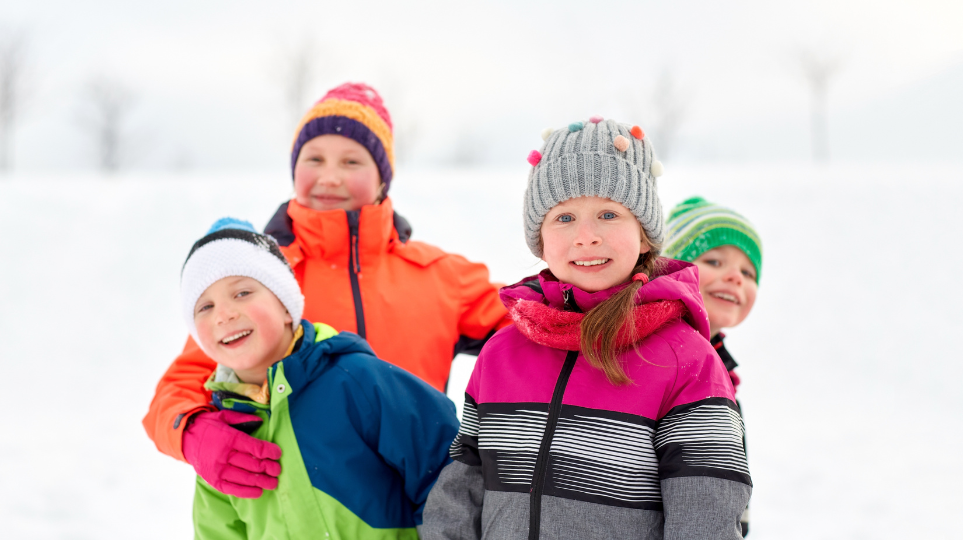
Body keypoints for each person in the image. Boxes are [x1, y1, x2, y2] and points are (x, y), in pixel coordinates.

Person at [143, 82, 509, 499]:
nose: (330, 177)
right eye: (314, 158)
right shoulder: (259, 282)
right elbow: (179, 387)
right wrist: (193, 432)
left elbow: (535, 321)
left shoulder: (441, 276)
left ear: (383, 179)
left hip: (416, 508)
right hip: (300, 509)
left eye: (352, 161)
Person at [421, 118, 751, 539]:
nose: (586, 236)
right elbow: (460, 493)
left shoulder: (686, 360)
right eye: (564, 217)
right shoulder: (503, 351)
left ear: (646, 236)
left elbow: (705, 516)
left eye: (609, 214)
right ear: (539, 237)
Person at [181, 217, 459, 539]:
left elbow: (447, 472)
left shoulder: (357, 381)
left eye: (242, 292)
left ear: (286, 307)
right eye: (204, 307)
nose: (223, 314)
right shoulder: (220, 438)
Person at [662, 196, 763, 537]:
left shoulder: (721, 373)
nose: (735, 277)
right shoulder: (658, 354)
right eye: (715, 260)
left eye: (748, 272)